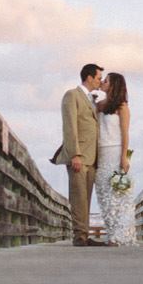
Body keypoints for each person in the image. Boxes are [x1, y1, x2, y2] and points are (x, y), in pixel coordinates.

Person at [52, 63, 107, 247]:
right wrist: (74, 154)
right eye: (99, 78)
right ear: (89, 78)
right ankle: (79, 237)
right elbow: (70, 127)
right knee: (78, 197)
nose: (100, 81)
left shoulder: (92, 99)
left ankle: (84, 234)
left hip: (92, 157)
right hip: (79, 155)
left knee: (86, 198)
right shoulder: (72, 95)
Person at [94, 73, 138, 246]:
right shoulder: (100, 105)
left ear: (114, 85)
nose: (102, 82)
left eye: (106, 81)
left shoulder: (122, 107)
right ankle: (112, 234)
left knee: (118, 194)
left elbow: (125, 134)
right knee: (104, 193)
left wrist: (124, 157)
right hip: (101, 151)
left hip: (115, 150)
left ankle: (120, 237)